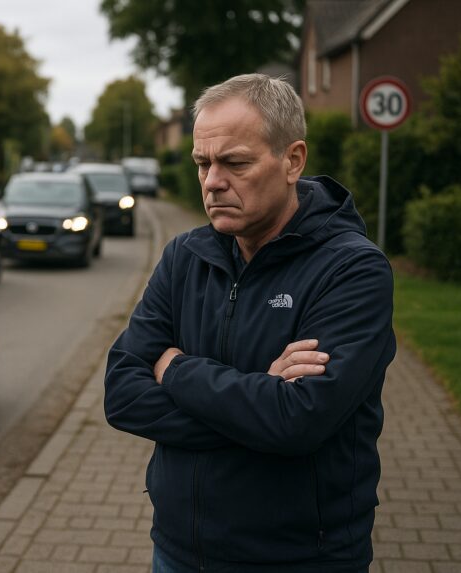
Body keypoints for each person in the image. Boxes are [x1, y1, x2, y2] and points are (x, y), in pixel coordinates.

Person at [104, 74, 396, 573]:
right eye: (202, 163)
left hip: (299, 557)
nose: (213, 180)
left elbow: (297, 421)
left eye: (234, 162)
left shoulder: (353, 270)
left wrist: (174, 370)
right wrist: (258, 399)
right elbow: (121, 394)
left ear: (292, 160)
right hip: (178, 549)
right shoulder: (184, 256)